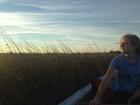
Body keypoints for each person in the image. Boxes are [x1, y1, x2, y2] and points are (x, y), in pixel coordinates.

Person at [89, 33, 140, 105]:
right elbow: (106, 79)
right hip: (121, 92)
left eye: (124, 43)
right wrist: (97, 97)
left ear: (134, 46)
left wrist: (131, 99)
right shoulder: (117, 60)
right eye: (120, 43)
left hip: (137, 92)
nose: (120, 46)